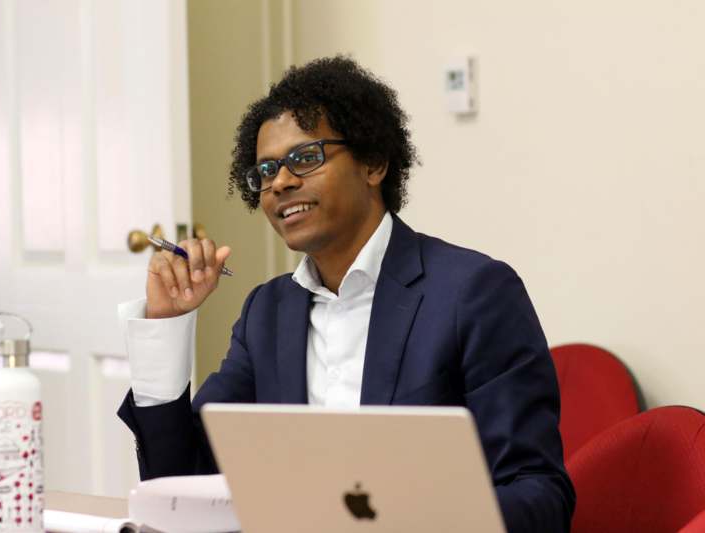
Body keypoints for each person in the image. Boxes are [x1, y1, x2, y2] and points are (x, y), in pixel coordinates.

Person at [118, 56, 575, 532]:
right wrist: (164, 329)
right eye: (266, 171)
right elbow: (177, 487)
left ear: (374, 162)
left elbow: (538, 493)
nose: (279, 182)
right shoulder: (266, 314)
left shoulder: (473, 293)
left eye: (305, 158)